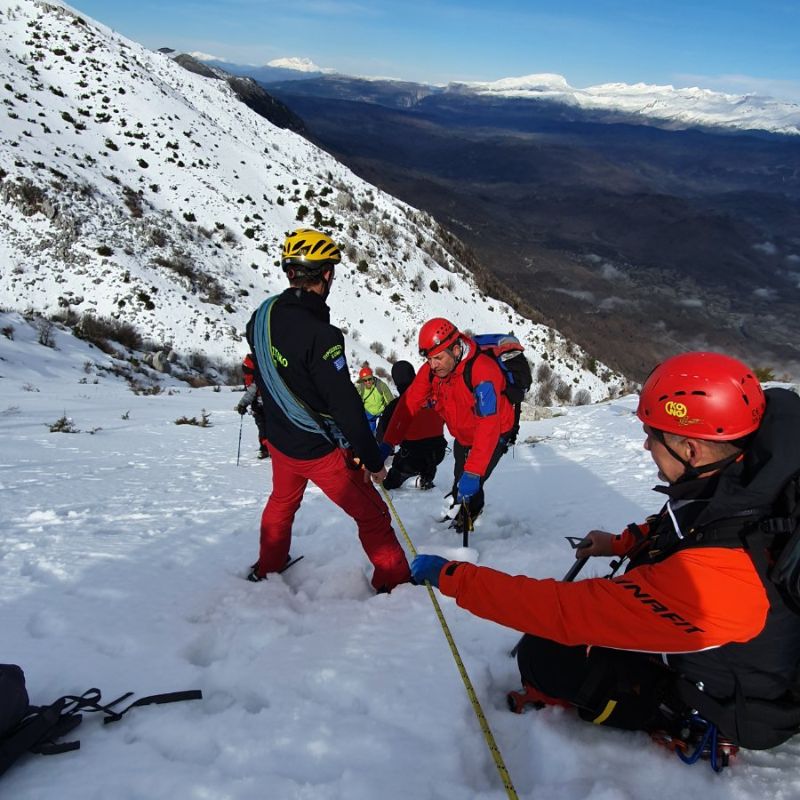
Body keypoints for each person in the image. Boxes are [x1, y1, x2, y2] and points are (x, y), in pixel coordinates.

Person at [409, 352, 800, 758]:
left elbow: (563, 611)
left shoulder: (714, 581)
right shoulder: (748, 475)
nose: (647, 444)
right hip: (745, 647)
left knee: (543, 656)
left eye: (655, 435)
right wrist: (619, 543)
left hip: (738, 697)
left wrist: (452, 577)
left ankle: (674, 713)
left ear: (690, 449)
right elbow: (693, 525)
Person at [243, 228, 411, 591]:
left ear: (291, 273)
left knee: (282, 502)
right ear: (327, 274)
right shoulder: (322, 337)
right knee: (373, 515)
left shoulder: (262, 315)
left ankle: (268, 564)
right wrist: (373, 460)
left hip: (280, 440)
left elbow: (262, 362)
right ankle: (396, 582)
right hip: (319, 451)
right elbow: (346, 406)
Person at [382, 317, 515, 532]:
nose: (432, 365)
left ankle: (467, 517)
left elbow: (488, 425)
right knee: (459, 477)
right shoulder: (434, 370)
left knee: (473, 478)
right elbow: (409, 402)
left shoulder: (482, 372)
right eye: (429, 359)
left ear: (455, 350)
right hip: (464, 433)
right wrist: (389, 441)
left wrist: (474, 471)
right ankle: (459, 506)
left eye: (438, 358)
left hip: (495, 431)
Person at [376, 361, 447, 491]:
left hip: (412, 457)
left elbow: (383, 433)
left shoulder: (397, 405)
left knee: (392, 479)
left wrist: (382, 455)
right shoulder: (434, 397)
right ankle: (426, 476)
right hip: (439, 451)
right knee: (428, 450)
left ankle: (403, 478)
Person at [235, 353, 270, 459]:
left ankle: (267, 450)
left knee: (265, 430)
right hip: (263, 408)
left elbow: (250, 392)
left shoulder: (258, 380)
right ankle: (266, 449)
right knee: (266, 430)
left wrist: (242, 405)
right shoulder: (260, 380)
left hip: (261, 408)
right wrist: (242, 404)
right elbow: (251, 392)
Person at [355, 366, 394, 435]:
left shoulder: (380, 385)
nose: (368, 382)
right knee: (370, 432)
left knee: (382, 432)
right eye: (365, 380)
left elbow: (390, 400)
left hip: (381, 413)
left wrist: (391, 413)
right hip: (369, 413)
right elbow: (354, 401)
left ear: (372, 377)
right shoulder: (360, 388)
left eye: (369, 379)